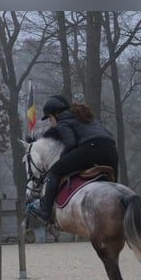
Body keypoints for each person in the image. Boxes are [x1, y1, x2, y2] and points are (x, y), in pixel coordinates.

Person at [26, 94, 118, 224]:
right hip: (111, 151)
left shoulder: (63, 122)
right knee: (114, 187)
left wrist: (62, 159)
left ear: (55, 114)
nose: (51, 122)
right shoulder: (87, 118)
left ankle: (45, 211)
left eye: (50, 118)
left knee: (55, 171)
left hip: (90, 149)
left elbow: (71, 144)